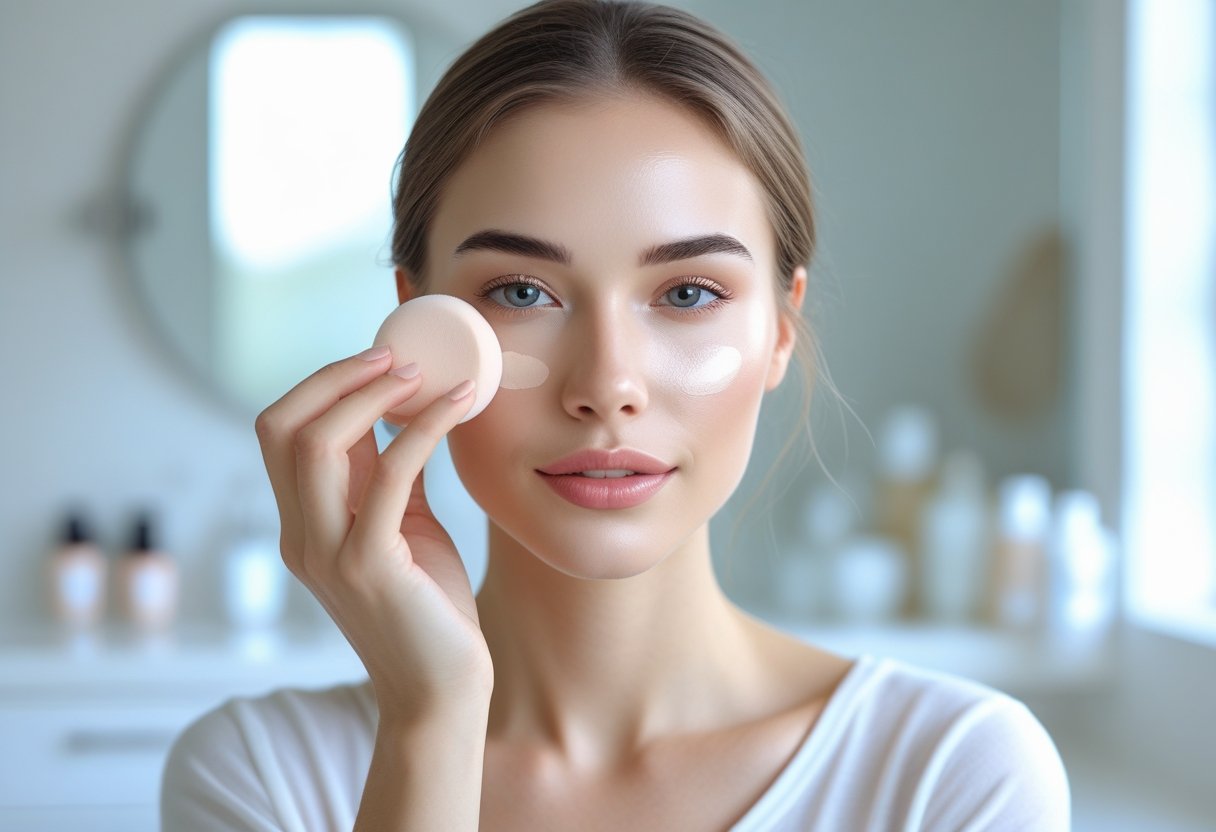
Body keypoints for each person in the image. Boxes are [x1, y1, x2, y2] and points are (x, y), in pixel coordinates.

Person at [161, 1, 1071, 829]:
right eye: (522, 290)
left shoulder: (953, 775)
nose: (606, 384)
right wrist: (430, 722)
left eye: (686, 293)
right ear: (417, 323)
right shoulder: (262, 778)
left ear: (781, 328)